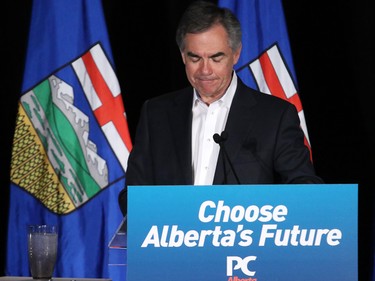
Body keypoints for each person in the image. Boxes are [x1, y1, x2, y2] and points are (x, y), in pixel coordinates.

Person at [118, 0, 323, 215]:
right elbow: (133, 194)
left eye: (216, 58)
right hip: (174, 244)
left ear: (236, 54)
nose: (205, 70)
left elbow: (303, 186)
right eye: (195, 57)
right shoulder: (156, 113)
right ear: (182, 55)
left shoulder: (275, 116)